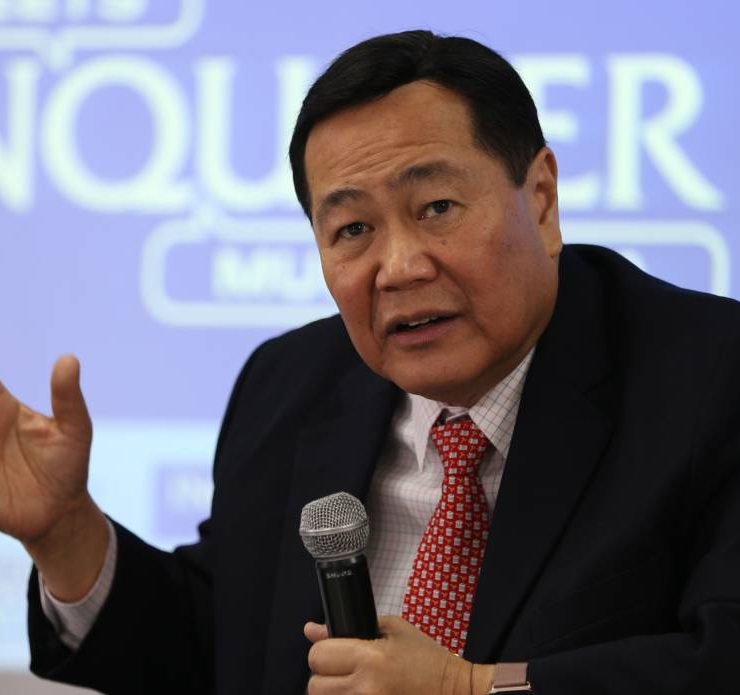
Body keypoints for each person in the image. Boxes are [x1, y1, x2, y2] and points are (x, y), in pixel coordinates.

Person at [1, 30, 739, 695]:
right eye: (353, 228)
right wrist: (65, 532)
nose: (400, 266)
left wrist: (470, 689)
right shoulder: (291, 383)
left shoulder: (711, 375)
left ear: (541, 200)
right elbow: (222, 647)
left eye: (437, 208)